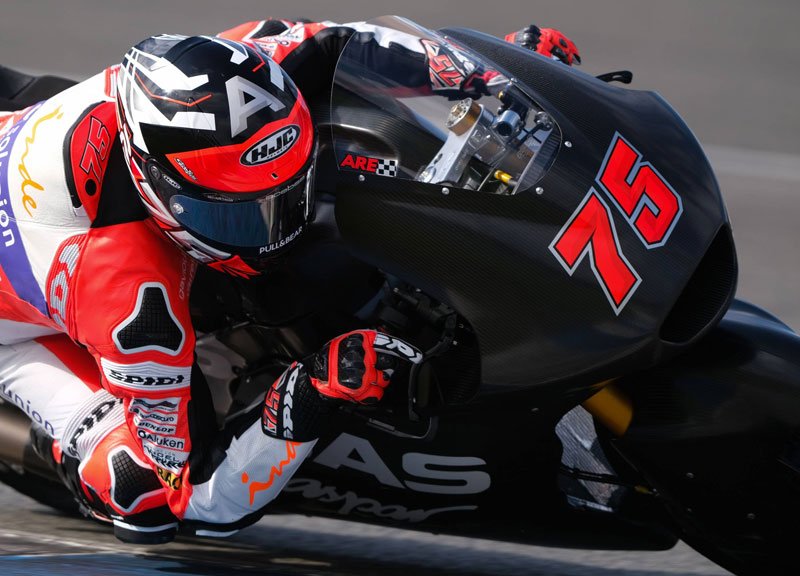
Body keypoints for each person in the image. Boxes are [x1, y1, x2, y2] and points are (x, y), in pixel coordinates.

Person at [0, 17, 580, 543]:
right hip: (23, 328)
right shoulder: (132, 304)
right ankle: (76, 448)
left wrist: (488, 77)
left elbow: (336, 42)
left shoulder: (237, 75)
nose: (274, 235)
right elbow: (199, 498)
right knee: (139, 491)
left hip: (32, 138)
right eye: (237, 217)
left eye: (285, 197)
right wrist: (309, 392)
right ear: (155, 184)